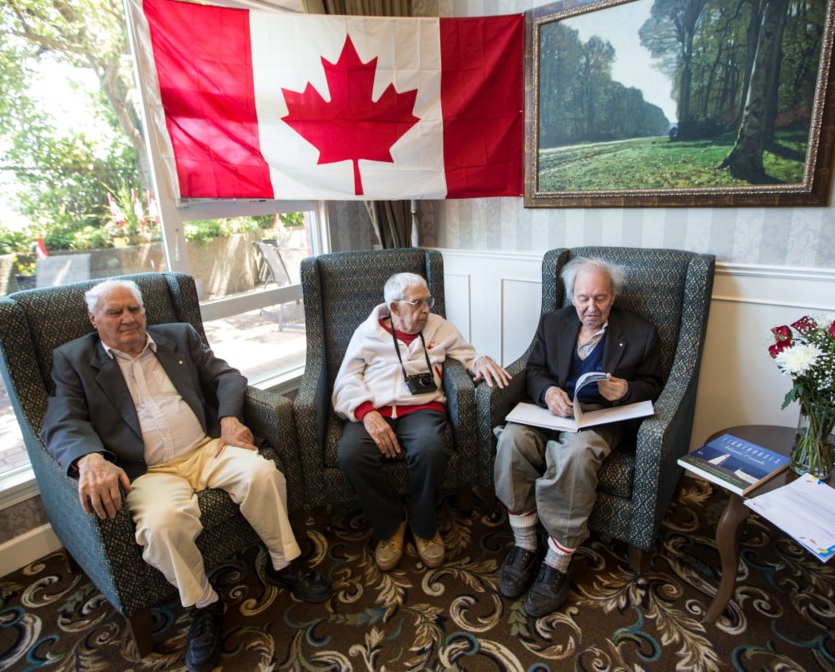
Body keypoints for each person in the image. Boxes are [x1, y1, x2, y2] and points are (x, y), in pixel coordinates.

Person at [41, 279, 331, 672]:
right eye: (115, 312)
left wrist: (229, 419)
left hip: (206, 447)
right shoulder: (73, 359)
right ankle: (203, 604)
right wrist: (89, 457)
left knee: (262, 473)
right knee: (162, 526)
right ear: (94, 320)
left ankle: (286, 563)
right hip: (147, 472)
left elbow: (226, 376)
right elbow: (63, 419)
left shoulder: (178, 337)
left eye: (135, 309)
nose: (129, 319)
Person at [493, 257, 663, 617]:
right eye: (583, 298)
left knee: (575, 456)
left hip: (600, 418)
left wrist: (628, 390)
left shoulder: (641, 332)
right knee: (511, 440)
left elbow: (655, 384)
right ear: (572, 295)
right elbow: (535, 369)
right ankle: (525, 544)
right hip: (551, 412)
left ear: (613, 297)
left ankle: (557, 560)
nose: (591, 308)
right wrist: (547, 392)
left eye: (600, 298)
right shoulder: (553, 322)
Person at [333, 272, 512, 571]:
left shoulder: (439, 326)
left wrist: (481, 361)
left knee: (431, 450)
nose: (426, 309)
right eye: (417, 303)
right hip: (373, 410)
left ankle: (423, 523)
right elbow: (346, 379)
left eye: (427, 301)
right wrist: (366, 413)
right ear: (394, 307)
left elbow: (467, 355)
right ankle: (390, 524)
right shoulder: (366, 333)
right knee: (350, 455)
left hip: (422, 408)